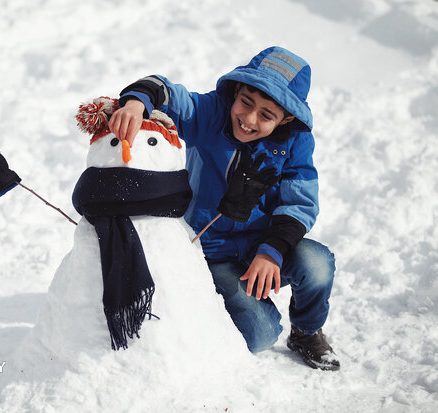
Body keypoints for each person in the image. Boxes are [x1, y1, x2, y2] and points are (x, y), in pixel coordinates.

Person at [108, 46, 340, 371]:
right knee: (260, 336)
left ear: (286, 118)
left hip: (264, 245)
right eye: (246, 102)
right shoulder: (212, 115)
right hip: (212, 252)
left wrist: (272, 250)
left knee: (317, 264)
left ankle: (305, 332)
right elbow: (164, 91)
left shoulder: (295, 144)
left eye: (266, 115)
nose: (248, 119)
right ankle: (210, 307)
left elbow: (300, 199)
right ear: (237, 91)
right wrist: (135, 102)